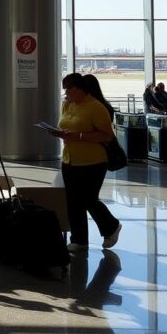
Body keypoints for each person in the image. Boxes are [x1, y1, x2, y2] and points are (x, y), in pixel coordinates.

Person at [49, 73, 122, 252]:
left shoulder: (96, 108)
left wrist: (79, 136)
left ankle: (111, 226)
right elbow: (65, 125)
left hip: (93, 162)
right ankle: (79, 240)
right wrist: (61, 134)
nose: (66, 93)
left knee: (88, 199)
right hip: (69, 159)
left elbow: (106, 136)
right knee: (73, 201)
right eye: (65, 89)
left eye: (69, 89)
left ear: (80, 89)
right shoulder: (67, 104)